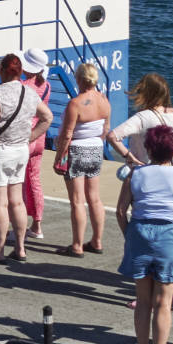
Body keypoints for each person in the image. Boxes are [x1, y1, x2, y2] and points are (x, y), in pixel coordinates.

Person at [116, 125, 173, 344]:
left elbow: (121, 210)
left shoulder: (136, 174)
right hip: (171, 233)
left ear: (149, 149)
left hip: (140, 231)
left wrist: (129, 235)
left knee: (143, 301)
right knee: (164, 302)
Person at [0, 53, 52, 263]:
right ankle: (20, 248)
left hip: (0, 153)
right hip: (20, 151)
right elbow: (47, 117)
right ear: (19, 72)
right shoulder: (29, 92)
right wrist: (30, 137)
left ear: (1, 70)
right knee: (17, 202)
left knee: (0, 205)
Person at [52, 60, 112, 256]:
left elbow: (67, 134)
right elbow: (105, 129)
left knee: (77, 201)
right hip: (95, 148)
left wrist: (59, 156)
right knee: (94, 198)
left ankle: (77, 245)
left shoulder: (75, 104)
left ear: (78, 79)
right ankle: (97, 241)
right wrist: (96, 143)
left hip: (76, 150)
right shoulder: (104, 101)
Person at [107, 73, 173, 167]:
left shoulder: (141, 118)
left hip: (142, 170)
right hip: (169, 171)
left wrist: (129, 156)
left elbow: (112, 137)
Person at [19, 48, 53, 241]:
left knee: (17, 184)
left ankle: (20, 227)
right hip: (39, 137)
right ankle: (37, 225)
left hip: (24, 137)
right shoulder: (45, 85)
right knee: (34, 181)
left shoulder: (23, 86)